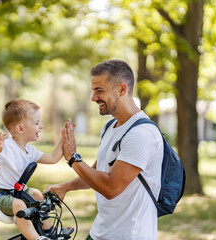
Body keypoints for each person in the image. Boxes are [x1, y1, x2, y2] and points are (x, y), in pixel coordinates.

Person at [45, 59, 164, 239]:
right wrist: (65, 187)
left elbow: (110, 188)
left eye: (99, 91)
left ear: (122, 89)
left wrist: (72, 159)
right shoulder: (110, 126)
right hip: (100, 232)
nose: (93, 98)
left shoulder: (141, 134)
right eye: (93, 91)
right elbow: (98, 172)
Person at [0, 99, 73, 240]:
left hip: (15, 192)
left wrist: (63, 138)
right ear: (20, 129)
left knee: (37, 194)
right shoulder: (5, 147)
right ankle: (35, 238)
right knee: (19, 204)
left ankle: (49, 231)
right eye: (36, 123)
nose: (41, 126)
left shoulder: (30, 151)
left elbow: (52, 158)